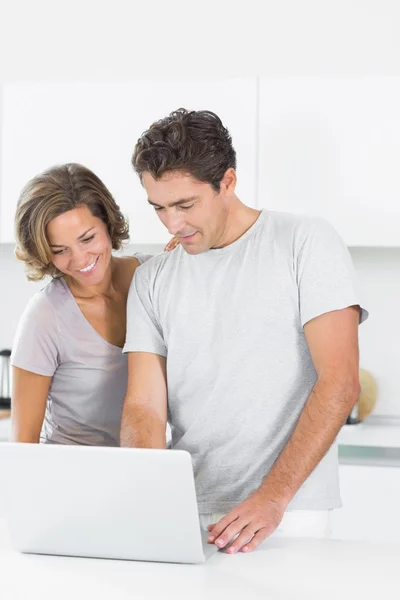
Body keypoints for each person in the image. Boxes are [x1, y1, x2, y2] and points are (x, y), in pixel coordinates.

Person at [120, 108, 368, 553]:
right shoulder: (153, 279)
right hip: (187, 509)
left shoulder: (305, 243)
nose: (173, 224)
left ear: (227, 183)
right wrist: (146, 499)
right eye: (159, 207)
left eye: (185, 205)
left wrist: (272, 498)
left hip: (288, 513)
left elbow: (340, 382)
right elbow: (143, 408)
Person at [11, 162, 177, 445]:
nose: (79, 259)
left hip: (145, 464)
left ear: (108, 223)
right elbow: (23, 446)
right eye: (60, 250)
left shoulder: (152, 280)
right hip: (72, 474)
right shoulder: (45, 316)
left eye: (87, 238)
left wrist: (187, 258)